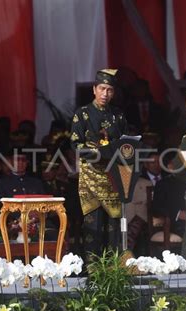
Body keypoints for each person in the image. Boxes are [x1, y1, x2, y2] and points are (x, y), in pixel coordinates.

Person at [70, 69, 128, 259]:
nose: (105, 94)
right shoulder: (83, 113)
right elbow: (75, 144)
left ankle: (113, 271)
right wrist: (98, 152)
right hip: (91, 177)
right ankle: (92, 271)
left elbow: (126, 142)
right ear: (94, 89)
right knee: (92, 226)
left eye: (110, 90)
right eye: (102, 88)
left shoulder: (118, 115)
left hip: (113, 176)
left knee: (113, 228)